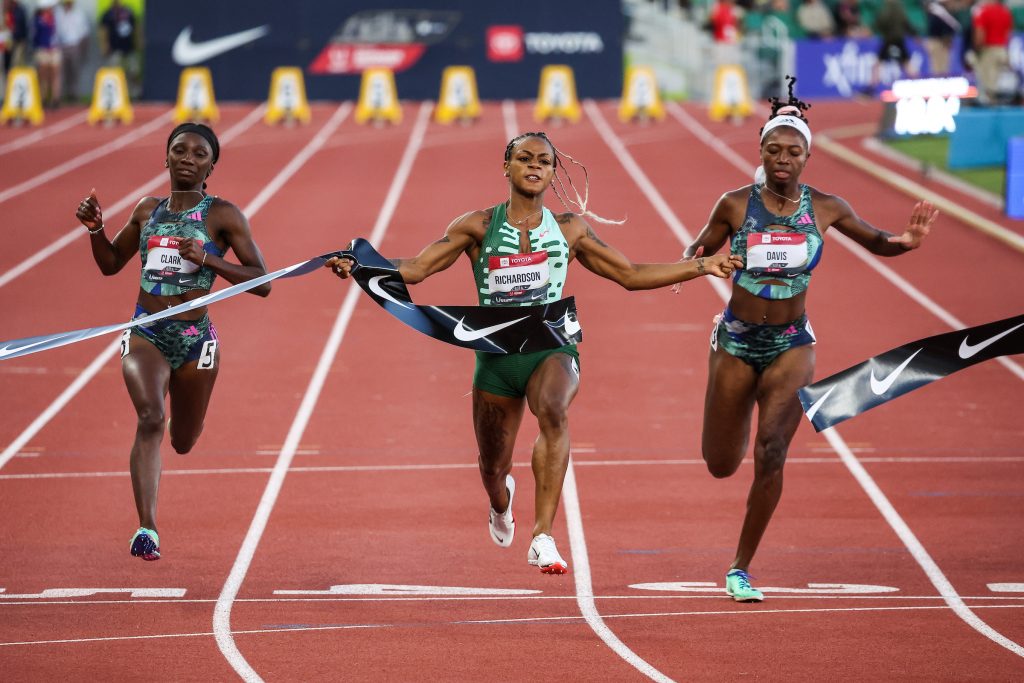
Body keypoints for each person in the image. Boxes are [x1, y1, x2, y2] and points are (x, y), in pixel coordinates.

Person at [326, 132, 742, 574]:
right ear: (505, 167)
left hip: (551, 343)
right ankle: (500, 504)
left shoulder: (569, 230)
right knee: (492, 467)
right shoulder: (477, 226)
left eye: (543, 161)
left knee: (554, 410)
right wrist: (363, 265)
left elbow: (630, 273)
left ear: (552, 172)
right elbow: (417, 269)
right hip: (495, 355)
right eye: (523, 158)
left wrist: (702, 266)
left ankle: (542, 535)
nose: (534, 166)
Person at [684, 78, 936, 602]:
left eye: (793, 151)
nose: (782, 158)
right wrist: (708, 260)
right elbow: (695, 251)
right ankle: (728, 457)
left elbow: (878, 241)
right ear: (760, 151)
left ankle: (740, 568)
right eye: (773, 149)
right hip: (736, 340)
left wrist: (907, 243)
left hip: (792, 343)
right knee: (720, 463)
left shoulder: (826, 208)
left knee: (772, 451)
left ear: (806, 156)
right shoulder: (735, 205)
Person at [75, 123, 271, 561]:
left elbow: (262, 283)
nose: (187, 158)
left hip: (195, 338)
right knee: (149, 418)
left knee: (182, 440)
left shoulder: (223, 216)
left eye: (198, 153)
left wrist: (209, 259)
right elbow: (111, 264)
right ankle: (147, 528)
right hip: (146, 329)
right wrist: (94, 231)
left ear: (211, 166)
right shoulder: (147, 210)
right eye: (178, 150)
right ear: (165, 158)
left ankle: (185, 429)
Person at [972, 0, 1013, 104]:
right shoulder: (1005, 12)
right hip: (1002, 49)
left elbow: (980, 33)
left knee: (988, 85)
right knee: (998, 82)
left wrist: (977, 49)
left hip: (988, 50)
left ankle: (990, 110)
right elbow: (1009, 32)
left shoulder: (983, 11)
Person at [98, 0, 138, 97]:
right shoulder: (107, 14)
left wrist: (138, 42)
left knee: (133, 71)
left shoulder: (128, 12)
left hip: (129, 48)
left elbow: (136, 27)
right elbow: (103, 31)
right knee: (115, 73)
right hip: (114, 49)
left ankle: (135, 94)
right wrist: (104, 45)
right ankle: (117, 95)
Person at [55, 0, 89, 103]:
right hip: (61, 46)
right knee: (61, 73)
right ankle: (61, 96)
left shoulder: (79, 14)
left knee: (75, 72)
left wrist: (83, 49)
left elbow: (84, 33)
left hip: (75, 45)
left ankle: (74, 95)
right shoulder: (58, 14)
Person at [32, 0, 62, 108]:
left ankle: (55, 98)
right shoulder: (38, 19)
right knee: (43, 74)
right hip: (43, 49)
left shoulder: (56, 18)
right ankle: (43, 98)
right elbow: (35, 36)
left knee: (54, 74)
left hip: (54, 49)